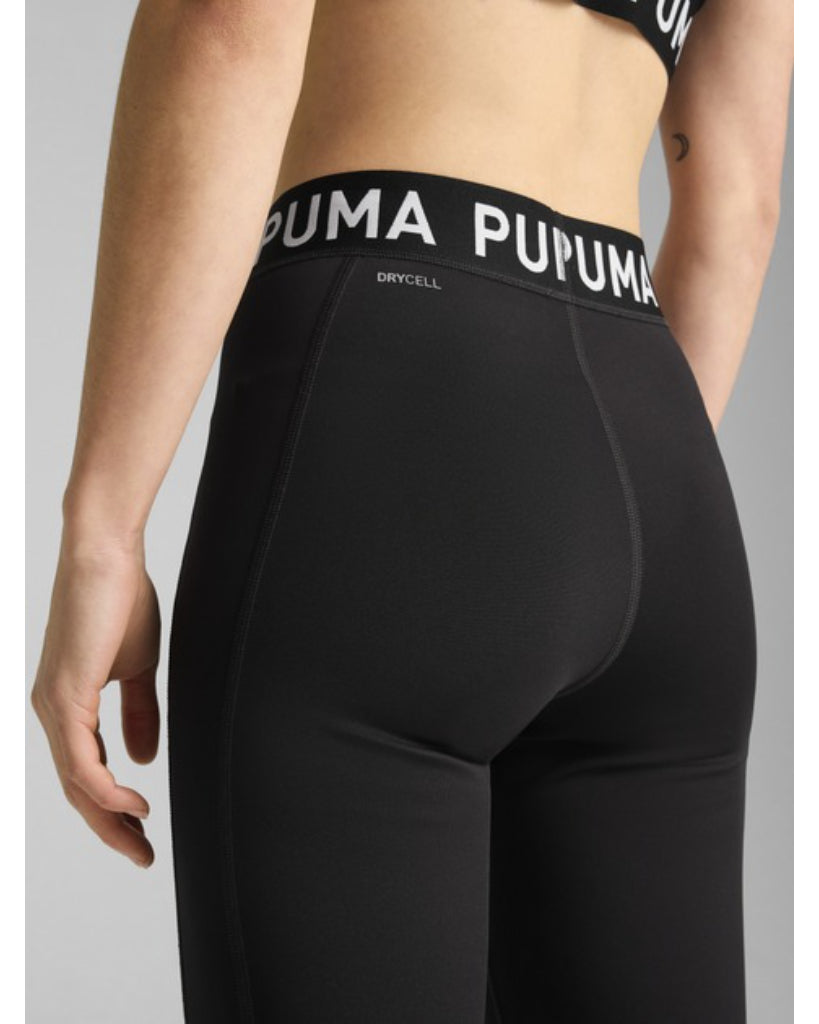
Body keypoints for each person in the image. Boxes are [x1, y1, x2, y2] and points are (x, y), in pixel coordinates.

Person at [30, 1, 793, 1021]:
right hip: (656, 467)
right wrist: (586, 509)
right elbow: (739, 207)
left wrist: (105, 528)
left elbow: (224, 25)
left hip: (392, 406)